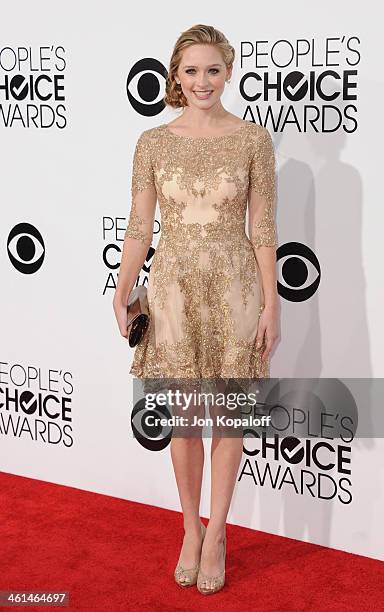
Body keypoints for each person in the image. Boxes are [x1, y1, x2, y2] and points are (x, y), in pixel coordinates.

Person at [113, 24, 279, 595]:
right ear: (176, 77)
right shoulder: (153, 142)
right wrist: (121, 288)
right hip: (174, 289)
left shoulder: (254, 139)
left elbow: (264, 231)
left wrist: (272, 305)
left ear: (228, 71)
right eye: (191, 71)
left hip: (236, 287)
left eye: (213, 70)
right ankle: (189, 527)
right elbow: (139, 227)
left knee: (229, 417)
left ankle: (217, 534)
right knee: (183, 417)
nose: (202, 81)